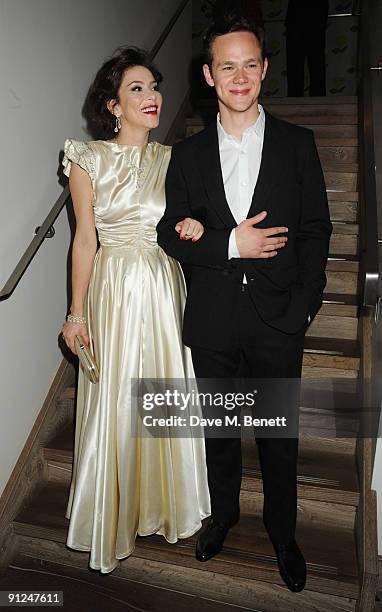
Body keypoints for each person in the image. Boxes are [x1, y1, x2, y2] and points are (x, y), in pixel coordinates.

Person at [157, 16, 332, 593]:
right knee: (221, 432)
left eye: (249, 64)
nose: (239, 75)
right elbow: (168, 233)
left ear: (263, 69)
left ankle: (284, 531)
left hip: (278, 319)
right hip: (212, 322)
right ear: (208, 75)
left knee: (279, 436)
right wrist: (231, 243)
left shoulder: (297, 144)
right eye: (226, 65)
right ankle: (223, 514)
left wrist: (304, 309)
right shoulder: (184, 155)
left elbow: (315, 232)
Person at [61, 46, 210, 574]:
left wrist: (194, 227)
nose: (152, 97)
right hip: (114, 285)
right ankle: (112, 512)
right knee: (115, 398)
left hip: (163, 283)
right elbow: (84, 241)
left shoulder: (175, 158)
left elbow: (187, 223)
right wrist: (76, 314)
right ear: (114, 105)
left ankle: (168, 502)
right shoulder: (88, 157)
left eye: (154, 87)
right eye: (137, 89)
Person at [286, 0, 329, 96]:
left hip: (312, 19)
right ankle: (297, 98)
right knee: (298, 65)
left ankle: (317, 98)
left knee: (314, 64)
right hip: (302, 19)